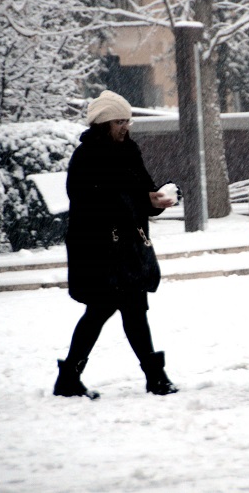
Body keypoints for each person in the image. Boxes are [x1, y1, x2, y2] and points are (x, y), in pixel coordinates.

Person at [53, 90, 178, 399]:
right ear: (103, 123)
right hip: (97, 249)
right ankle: (151, 377)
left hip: (127, 248)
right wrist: (137, 199)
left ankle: (74, 377)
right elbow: (87, 201)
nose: (125, 127)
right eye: (119, 121)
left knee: (127, 311)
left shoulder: (129, 151)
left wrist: (159, 200)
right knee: (106, 311)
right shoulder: (86, 156)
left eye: (127, 120)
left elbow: (142, 194)